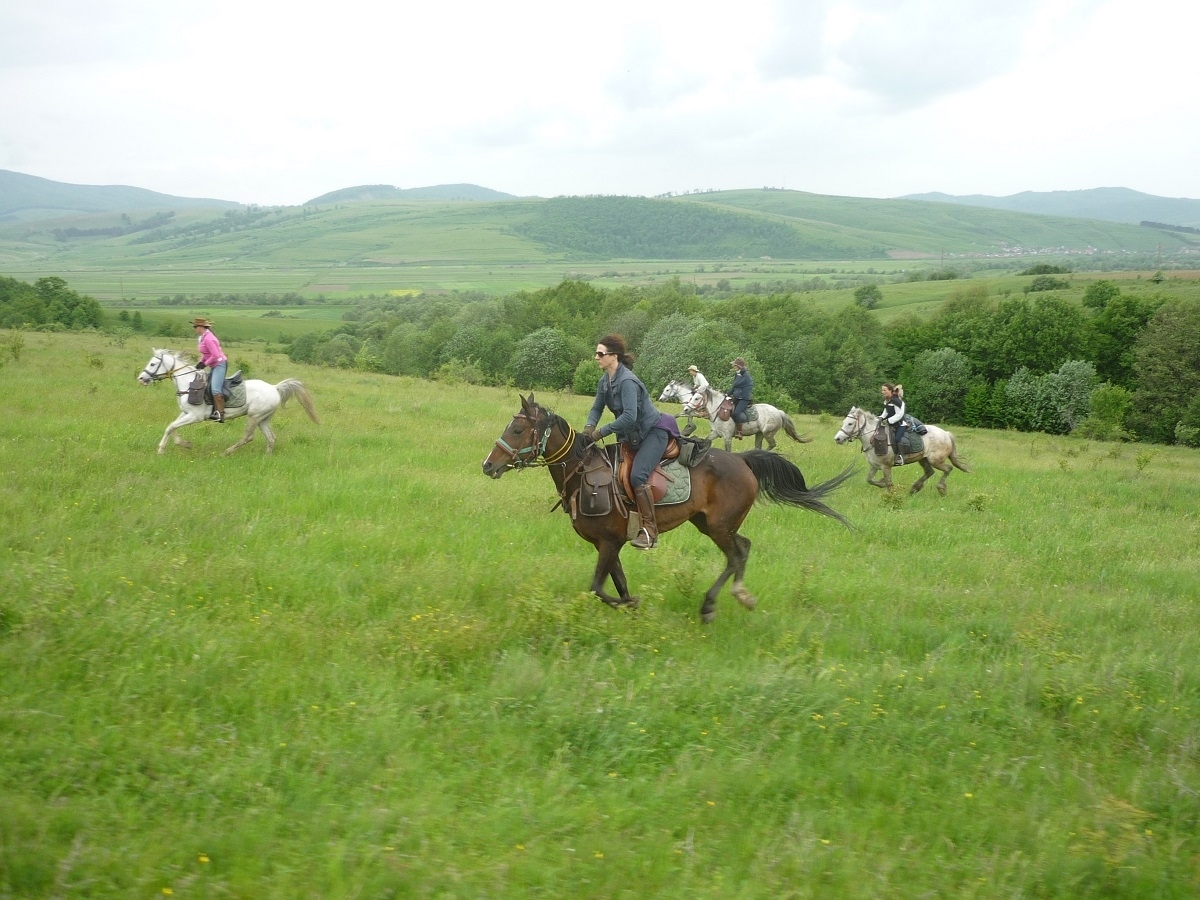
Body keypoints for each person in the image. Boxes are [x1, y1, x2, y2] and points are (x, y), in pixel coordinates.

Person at [583, 335, 668, 550]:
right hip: (630, 437)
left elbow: (630, 416)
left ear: (613, 356)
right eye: (596, 353)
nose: (596, 357)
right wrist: (589, 428)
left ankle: (649, 531)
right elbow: (596, 408)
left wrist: (600, 432)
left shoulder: (627, 382)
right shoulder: (605, 381)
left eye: (600, 353)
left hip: (652, 433)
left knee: (638, 475)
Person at [192, 318, 228, 423]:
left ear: (201, 327)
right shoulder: (203, 337)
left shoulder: (209, 339)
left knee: (215, 389)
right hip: (213, 365)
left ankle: (220, 414)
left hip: (219, 364)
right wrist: (200, 362)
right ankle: (212, 410)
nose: (194, 328)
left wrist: (205, 364)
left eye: (195, 326)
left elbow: (216, 355)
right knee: (207, 386)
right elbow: (206, 353)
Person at [880, 382, 907, 465]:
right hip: (891, 424)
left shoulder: (896, 401)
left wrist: (888, 420)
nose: (882, 392)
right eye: (882, 390)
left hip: (900, 424)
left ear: (890, 390)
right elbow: (886, 412)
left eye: (884, 390)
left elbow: (899, 414)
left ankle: (900, 457)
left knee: (897, 439)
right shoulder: (887, 400)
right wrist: (880, 418)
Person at [730, 357, 753, 439]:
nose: (734, 367)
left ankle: (740, 432)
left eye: (735, 365)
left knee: (736, 413)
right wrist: (727, 394)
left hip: (744, 398)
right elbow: (734, 387)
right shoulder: (738, 374)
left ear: (739, 366)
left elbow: (736, 384)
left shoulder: (746, 375)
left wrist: (735, 394)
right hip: (737, 397)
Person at [683, 365, 709, 436]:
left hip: (705, 389)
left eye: (690, 371)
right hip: (701, 388)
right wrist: (693, 388)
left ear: (694, 371)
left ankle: (703, 410)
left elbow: (703, 385)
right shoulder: (694, 376)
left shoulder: (699, 376)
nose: (690, 372)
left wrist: (697, 390)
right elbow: (696, 384)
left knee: (701, 398)